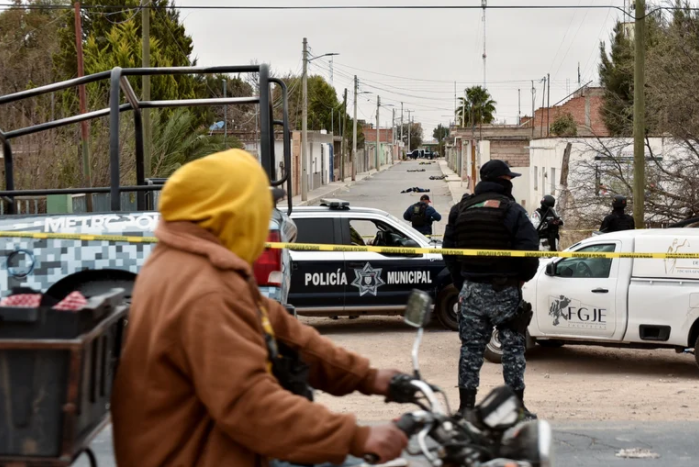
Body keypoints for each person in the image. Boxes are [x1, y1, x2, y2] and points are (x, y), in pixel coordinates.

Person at [111, 149, 409, 467]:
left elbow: (285, 331)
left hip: (214, 445)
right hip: (194, 455)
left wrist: (367, 377)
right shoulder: (204, 291)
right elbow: (249, 404)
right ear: (233, 213)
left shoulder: (196, 262)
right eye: (260, 208)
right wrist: (356, 438)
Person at [442, 160, 539, 419]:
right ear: (504, 180)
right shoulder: (513, 211)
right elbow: (529, 251)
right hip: (505, 290)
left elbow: (449, 253)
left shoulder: (460, 209)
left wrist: (463, 283)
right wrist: (521, 279)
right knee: (513, 348)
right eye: (510, 179)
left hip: (471, 290)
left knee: (471, 349)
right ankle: (514, 409)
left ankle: (465, 410)